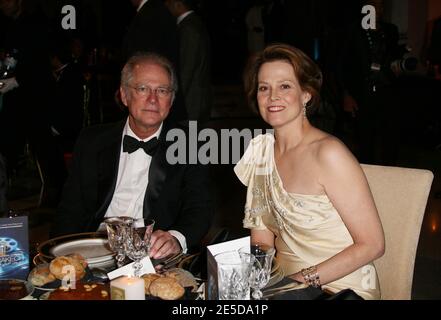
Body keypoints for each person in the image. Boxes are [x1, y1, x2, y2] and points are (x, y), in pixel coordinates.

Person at [235, 44, 385, 299]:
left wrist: (298, 283)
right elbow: (261, 240)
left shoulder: (328, 154)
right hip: (282, 287)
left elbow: (373, 245)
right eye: (264, 88)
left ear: (306, 94)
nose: (272, 97)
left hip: (338, 288)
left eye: (285, 86)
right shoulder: (260, 152)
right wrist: (250, 283)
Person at [51, 52, 214, 259]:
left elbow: (200, 208)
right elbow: (70, 209)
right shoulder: (92, 140)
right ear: (124, 95)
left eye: (162, 90)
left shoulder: (191, 144)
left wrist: (175, 238)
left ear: (171, 101)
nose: (153, 99)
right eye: (143, 88)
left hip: (153, 254)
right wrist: (61, 256)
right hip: (96, 248)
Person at [0, 0, 67, 206]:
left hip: (35, 97)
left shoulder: (35, 23)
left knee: (44, 145)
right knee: (9, 145)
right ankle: (10, 189)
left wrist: (17, 79)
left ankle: (61, 193)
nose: (4, 4)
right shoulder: (5, 25)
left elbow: (39, 62)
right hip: (14, 99)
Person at [339, 0, 402, 165]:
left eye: (381, 5)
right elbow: (341, 65)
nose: (378, 9)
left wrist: (397, 67)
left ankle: (390, 176)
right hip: (362, 95)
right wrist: (346, 95)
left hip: (387, 93)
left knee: (390, 139)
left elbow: (394, 57)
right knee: (365, 141)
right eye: (373, 5)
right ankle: (367, 179)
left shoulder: (390, 30)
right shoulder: (352, 31)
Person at [123, 0, 187, 124]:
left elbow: (146, 61)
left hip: (154, 101)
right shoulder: (156, 11)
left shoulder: (151, 14)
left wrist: (132, 86)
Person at [165, 0, 212, 124]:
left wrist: (174, 98)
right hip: (196, 97)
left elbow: (186, 68)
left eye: (168, 4)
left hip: (191, 100)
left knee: (189, 138)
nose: (167, 8)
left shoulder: (189, 28)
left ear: (177, 4)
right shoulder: (194, 23)